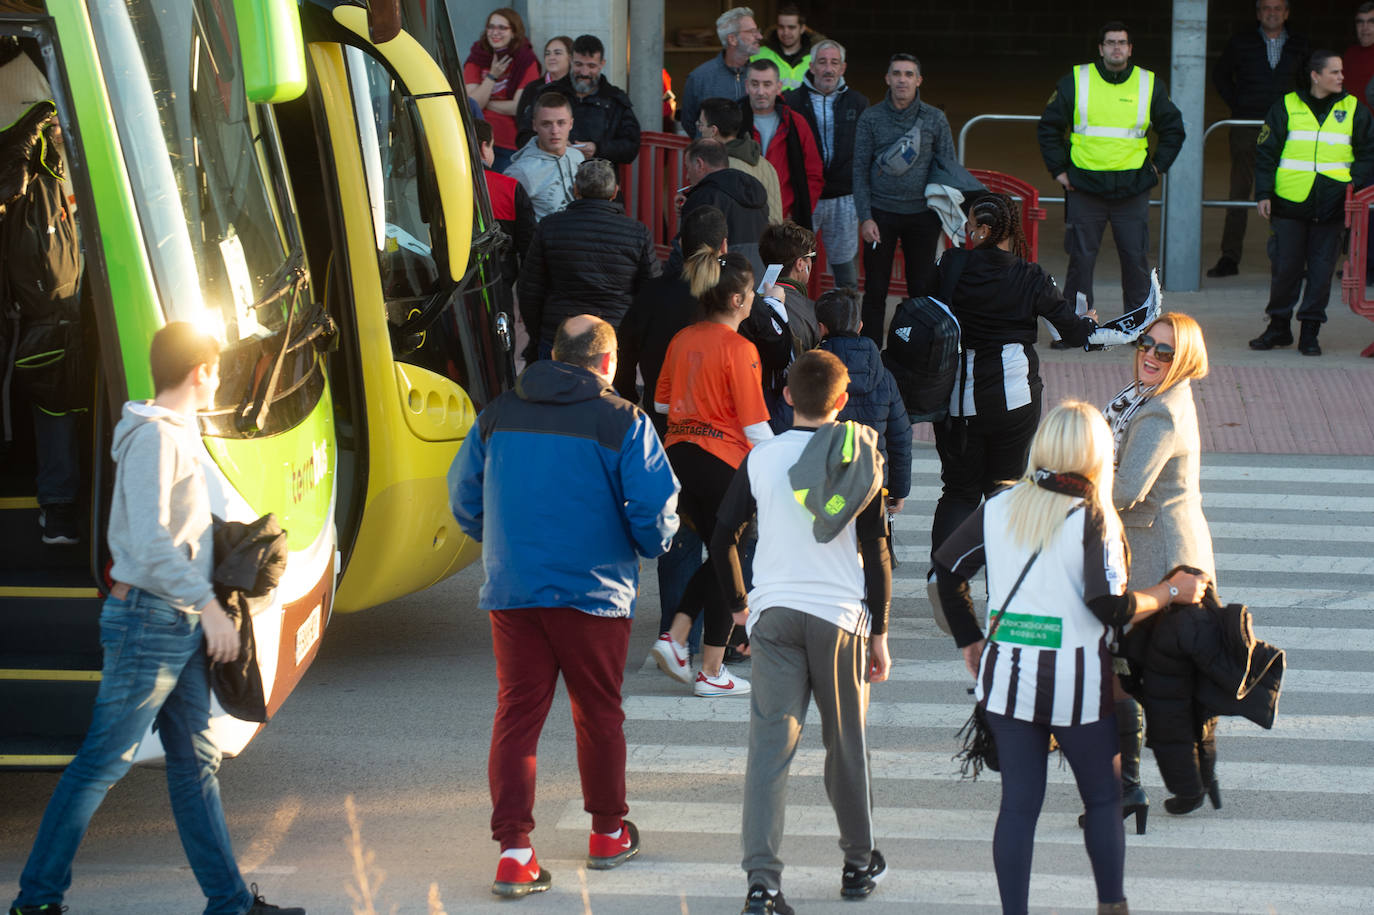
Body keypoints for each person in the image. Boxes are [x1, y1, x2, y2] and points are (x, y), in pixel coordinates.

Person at [8, 323, 305, 915]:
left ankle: (229, 904)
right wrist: (208, 607)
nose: (220, 377)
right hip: (150, 623)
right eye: (217, 368)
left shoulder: (174, 433)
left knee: (196, 766)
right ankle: (36, 900)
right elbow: (145, 542)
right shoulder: (154, 439)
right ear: (200, 371)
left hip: (172, 623)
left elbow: (177, 533)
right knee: (102, 762)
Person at [934, 401, 1209, 915]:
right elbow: (1110, 608)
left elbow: (947, 570)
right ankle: (1112, 906)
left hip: (1008, 680)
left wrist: (969, 638)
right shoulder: (1093, 518)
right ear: (1097, 454)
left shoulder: (999, 505)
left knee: (1017, 809)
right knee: (1103, 799)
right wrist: (1171, 591)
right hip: (1078, 688)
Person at [449, 315, 680, 899]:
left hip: (514, 588)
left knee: (516, 717)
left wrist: (501, 538)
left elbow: (463, 497)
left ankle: (515, 853)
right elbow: (655, 511)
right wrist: (647, 546)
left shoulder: (498, 412)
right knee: (598, 714)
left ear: (555, 355)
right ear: (606, 362)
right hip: (594, 593)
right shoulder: (622, 419)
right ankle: (606, 833)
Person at [713, 349, 893, 914]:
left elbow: (722, 539)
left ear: (787, 395)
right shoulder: (859, 457)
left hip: (775, 616)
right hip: (840, 618)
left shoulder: (761, 458)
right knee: (846, 746)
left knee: (770, 751)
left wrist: (741, 609)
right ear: (842, 401)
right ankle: (858, 865)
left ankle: (762, 884)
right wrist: (880, 633)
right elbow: (877, 551)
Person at [929, 194, 1098, 571]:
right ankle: (1001, 588)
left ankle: (942, 578)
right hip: (1015, 399)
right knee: (1004, 493)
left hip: (958, 401)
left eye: (971, 224)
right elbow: (1072, 332)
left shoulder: (953, 265)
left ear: (985, 230)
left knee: (958, 492)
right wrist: (1088, 321)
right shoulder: (1030, 276)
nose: (966, 230)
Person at [1103, 311, 1216, 828]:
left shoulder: (1159, 412)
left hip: (1164, 558)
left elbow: (1125, 492)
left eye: (1165, 350)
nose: (1150, 353)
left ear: (1184, 358)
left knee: (1144, 675)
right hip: (1166, 548)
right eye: (1148, 343)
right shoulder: (1149, 399)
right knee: (1163, 675)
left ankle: (1158, 785)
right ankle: (1187, 780)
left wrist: (1074, 476)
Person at [650, 249, 775, 698]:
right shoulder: (742, 350)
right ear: (740, 299)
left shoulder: (683, 338)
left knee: (720, 559)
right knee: (733, 561)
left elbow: (662, 405)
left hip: (679, 458)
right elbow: (756, 427)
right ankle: (710, 669)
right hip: (724, 464)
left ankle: (676, 637)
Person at [620, 206, 728, 662]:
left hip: (665, 433)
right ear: (725, 247)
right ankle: (719, 642)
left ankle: (674, 634)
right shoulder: (733, 297)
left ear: (678, 244)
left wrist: (634, 405)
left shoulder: (653, 296)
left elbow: (623, 358)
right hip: (723, 437)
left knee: (678, 535)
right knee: (728, 540)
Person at [1038, 21, 1185, 322]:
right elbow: (1049, 127)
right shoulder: (1077, 80)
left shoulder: (1149, 83)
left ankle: (1137, 325)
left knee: (1135, 261)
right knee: (1081, 261)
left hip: (1132, 189)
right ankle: (1075, 325)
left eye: (1122, 43)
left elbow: (1174, 130)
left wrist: (1156, 169)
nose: (1116, 47)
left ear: (1130, 49)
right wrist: (1059, 171)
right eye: (1110, 42)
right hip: (1084, 187)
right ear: (1101, 48)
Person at [1251, 48, 1374, 355]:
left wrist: (1354, 182)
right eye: (1335, 72)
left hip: (1332, 206)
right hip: (1288, 204)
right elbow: (1266, 154)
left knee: (1320, 274)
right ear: (1315, 75)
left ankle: (1310, 332)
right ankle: (1278, 328)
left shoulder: (1354, 108)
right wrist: (1264, 193)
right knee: (1285, 270)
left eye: (1342, 72)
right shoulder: (1286, 106)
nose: (1341, 77)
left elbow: (1368, 152)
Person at [854, 53, 957, 345]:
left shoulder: (935, 119)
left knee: (922, 289)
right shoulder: (871, 118)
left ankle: (918, 348)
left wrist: (941, 214)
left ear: (918, 80)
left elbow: (948, 168)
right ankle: (870, 350)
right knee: (874, 289)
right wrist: (865, 217)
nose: (902, 79)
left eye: (909, 74)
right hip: (879, 214)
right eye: (897, 73)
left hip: (922, 217)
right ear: (887, 79)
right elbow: (859, 170)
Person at [517, 158, 658, 364]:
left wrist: (538, 333)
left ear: (576, 190)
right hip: (613, 335)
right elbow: (649, 291)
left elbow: (530, 289)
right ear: (615, 191)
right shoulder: (637, 233)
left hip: (559, 332)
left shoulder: (549, 226)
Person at [1209, 0, 1308, 279]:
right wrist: (1238, 104)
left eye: (1278, 8)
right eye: (1266, 7)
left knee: (1288, 192)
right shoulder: (1241, 41)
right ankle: (1229, 257)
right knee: (1239, 191)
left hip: (1287, 129)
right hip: (1247, 125)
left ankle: (1289, 260)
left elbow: (1307, 82)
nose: (1272, 12)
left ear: (1287, 13)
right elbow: (1220, 75)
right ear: (1257, 13)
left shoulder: (1300, 43)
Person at [815, 287, 912, 515]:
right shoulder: (883, 376)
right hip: (874, 483)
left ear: (821, 329)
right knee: (872, 547)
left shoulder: (812, 371)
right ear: (859, 326)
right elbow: (901, 436)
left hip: (827, 484)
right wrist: (899, 489)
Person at [785, 39, 868, 290]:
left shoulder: (858, 102)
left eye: (834, 63)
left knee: (845, 272)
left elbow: (865, 152)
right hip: (805, 195)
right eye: (822, 62)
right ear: (811, 66)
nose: (828, 69)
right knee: (793, 264)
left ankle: (846, 326)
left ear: (843, 68)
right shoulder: (791, 101)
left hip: (843, 197)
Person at [514, 34, 642, 166]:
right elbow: (523, 137)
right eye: (578, 64)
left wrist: (598, 149)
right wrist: (553, 145)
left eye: (591, 66)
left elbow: (631, 146)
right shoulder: (548, 93)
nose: (584, 72)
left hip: (600, 180)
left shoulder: (615, 99)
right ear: (570, 60)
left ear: (602, 64)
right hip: (552, 178)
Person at [739, 58, 823, 228]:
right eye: (755, 84)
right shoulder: (734, 122)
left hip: (784, 219)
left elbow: (814, 174)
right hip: (742, 219)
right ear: (747, 86)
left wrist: (798, 212)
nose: (760, 91)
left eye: (767, 84)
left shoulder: (795, 123)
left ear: (778, 87)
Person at [463, 8, 540, 173]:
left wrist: (486, 102)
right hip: (476, 141)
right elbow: (472, 104)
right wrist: (492, 76)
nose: (495, 32)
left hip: (508, 143)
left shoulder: (526, 61)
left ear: (514, 32)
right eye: (491, 27)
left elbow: (518, 106)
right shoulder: (477, 57)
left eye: (502, 28)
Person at [679, 138, 770, 266]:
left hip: (721, 280)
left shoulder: (703, 197)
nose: (687, 176)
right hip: (759, 277)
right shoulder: (754, 191)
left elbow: (689, 253)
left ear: (699, 164)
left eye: (687, 168)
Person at [698, 96, 784, 224]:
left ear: (713, 131)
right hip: (767, 241)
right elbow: (776, 219)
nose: (699, 129)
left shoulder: (719, 169)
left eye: (701, 124)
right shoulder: (766, 165)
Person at [680, 7, 762, 139]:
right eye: (752, 32)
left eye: (757, 31)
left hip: (750, 156)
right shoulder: (700, 77)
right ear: (732, 39)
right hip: (711, 157)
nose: (759, 36)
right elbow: (689, 123)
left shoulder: (759, 75)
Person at [474, 118, 536, 287]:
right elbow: (528, 247)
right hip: (500, 283)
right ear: (483, 148)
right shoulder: (510, 187)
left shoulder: (438, 188)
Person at [505, 92, 585, 221]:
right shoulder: (521, 171)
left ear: (571, 124)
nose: (554, 131)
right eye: (546, 124)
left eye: (561, 123)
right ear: (535, 125)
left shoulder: (578, 157)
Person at [513, 35, 572, 143]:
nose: (551, 57)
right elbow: (521, 124)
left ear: (570, 57)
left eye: (557, 53)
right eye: (547, 54)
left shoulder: (576, 88)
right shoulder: (532, 88)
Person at [750, 3, 818, 92]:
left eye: (791, 27)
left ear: (802, 29)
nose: (785, 32)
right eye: (781, 27)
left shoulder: (815, 58)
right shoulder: (758, 54)